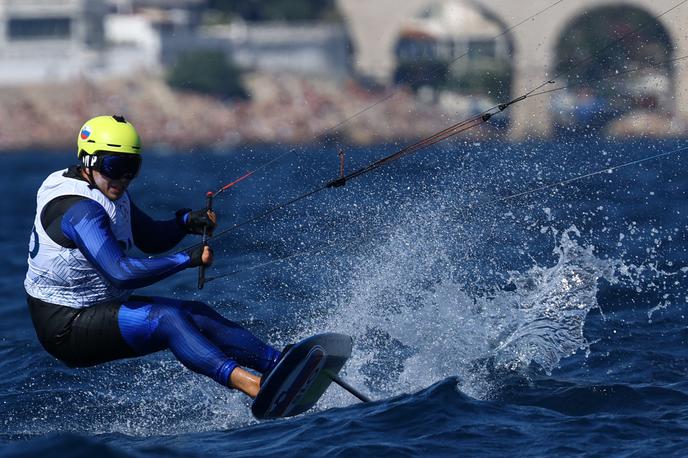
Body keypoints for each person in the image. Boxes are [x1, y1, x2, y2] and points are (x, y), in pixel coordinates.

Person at [24, 114, 281, 398]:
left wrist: (183, 223)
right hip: (66, 326)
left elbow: (149, 238)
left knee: (198, 315)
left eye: (131, 168)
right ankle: (253, 386)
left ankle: (278, 365)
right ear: (88, 161)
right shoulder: (80, 209)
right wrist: (187, 258)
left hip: (100, 306)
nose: (123, 178)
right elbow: (120, 273)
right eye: (115, 166)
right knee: (168, 319)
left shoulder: (108, 189)